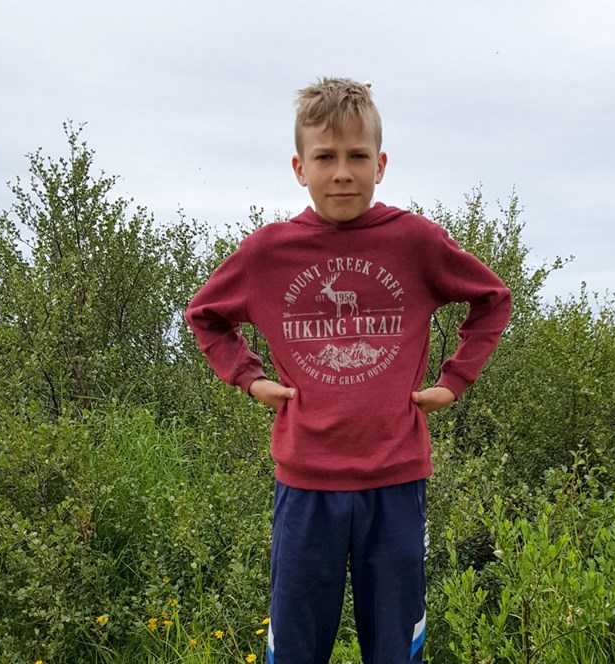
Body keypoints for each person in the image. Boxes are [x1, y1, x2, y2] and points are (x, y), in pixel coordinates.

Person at [185, 77, 511, 664]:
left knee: (395, 646)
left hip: (396, 480)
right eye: (325, 158)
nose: (342, 173)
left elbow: (493, 298)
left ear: (380, 165)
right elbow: (205, 315)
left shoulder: (414, 241)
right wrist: (251, 378)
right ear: (299, 167)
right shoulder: (268, 253)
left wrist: (453, 381)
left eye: (357, 156)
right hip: (306, 483)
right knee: (296, 646)